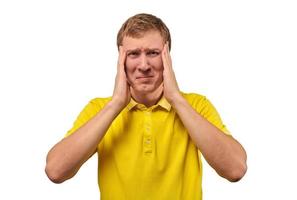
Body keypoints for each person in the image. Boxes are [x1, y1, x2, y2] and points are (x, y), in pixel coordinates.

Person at [45, 13, 247, 200]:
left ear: (167, 57)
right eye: (133, 54)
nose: (143, 65)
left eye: (152, 53)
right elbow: (55, 171)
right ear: (120, 60)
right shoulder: (100, 109)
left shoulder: (195, 105)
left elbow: (235, 170)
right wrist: (116, 104)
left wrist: (176, 98)